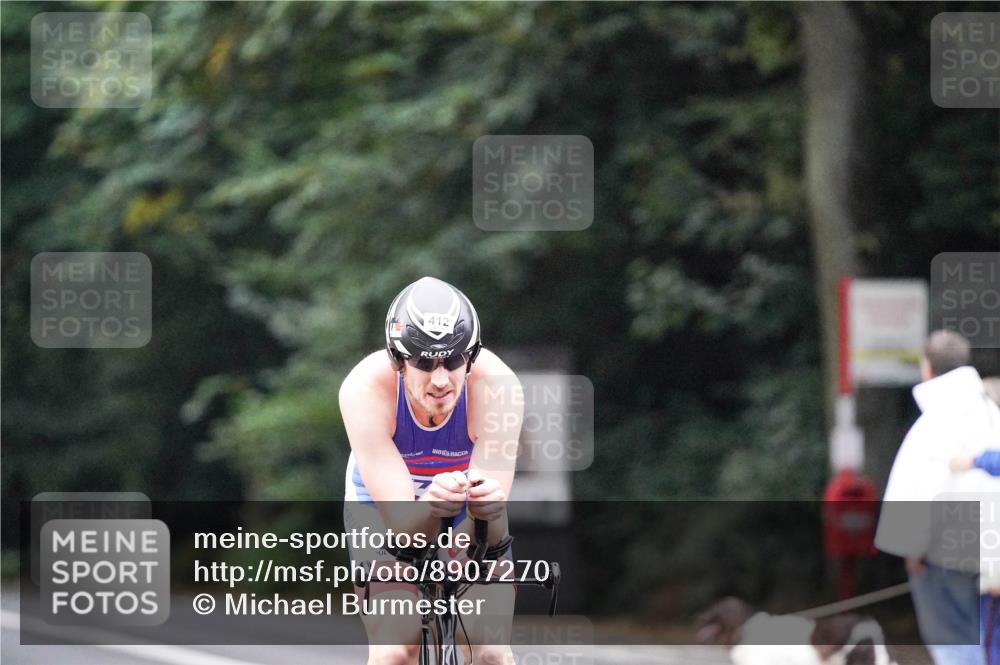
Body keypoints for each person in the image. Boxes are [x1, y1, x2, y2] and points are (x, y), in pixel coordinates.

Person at [340, 276, 522, 665]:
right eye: (424, 362)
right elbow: (403, 525)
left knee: (488, 650)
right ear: (398, 360)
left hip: (468, 511)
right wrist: (434, 508)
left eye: (454, 360)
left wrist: (475, 514)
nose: (441, 379)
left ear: (471, 357)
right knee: (397, 650)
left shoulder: (499, 386)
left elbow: (488, 523)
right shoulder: (364, 388)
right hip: (382, 510)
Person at [876, 331, 1000, 665]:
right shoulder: (991, 412)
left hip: (945, 555)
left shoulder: (932, 424)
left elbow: (921, 488)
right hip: (993, 553)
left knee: (955, 643)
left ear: (927, 367)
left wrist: (912, 549)